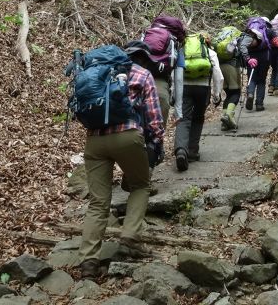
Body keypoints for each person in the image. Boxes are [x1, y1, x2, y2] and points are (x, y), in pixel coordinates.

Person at [76, 59, 164, 277]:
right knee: (140, 186)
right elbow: (154, 117)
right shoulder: (143, 73)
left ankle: (88, 261)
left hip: (95, 140)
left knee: (98, 202)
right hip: (128, 136)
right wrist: (156, 142)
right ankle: (130, 237)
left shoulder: (100, 72)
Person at [172, 32, 223, 171]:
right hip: (203, 88)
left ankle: (181, 150)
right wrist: (216, 94)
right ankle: (193, 151)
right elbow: (218, 74)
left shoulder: (181, 50)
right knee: (198, 118)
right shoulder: (210, 52)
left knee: (184, 119)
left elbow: (174, 73)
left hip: (185, 87)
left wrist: (173, 92)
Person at [126, 14, 186, 127]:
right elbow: (179, 79)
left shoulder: (146, 37)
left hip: (136, 87)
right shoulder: (176, 45)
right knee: (156, 135)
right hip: (160, 91)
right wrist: (178, 111)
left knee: (136, 132)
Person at [238, 16, 273, 111]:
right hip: (264, 57)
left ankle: (250, 94)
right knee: (261, 80)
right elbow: (274, 43)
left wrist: (247, 58)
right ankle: (259, 104)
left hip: (251, 57)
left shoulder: (249, 31)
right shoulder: (268, 30)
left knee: (252, 78)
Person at [213, 25, 243, 130]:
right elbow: (241, 51)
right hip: (232, 66)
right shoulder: (237, 36)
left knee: (228, 93)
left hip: (220, 67)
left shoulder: (219, 37)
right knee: (236, 92)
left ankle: (225, 122)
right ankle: (229, 115)